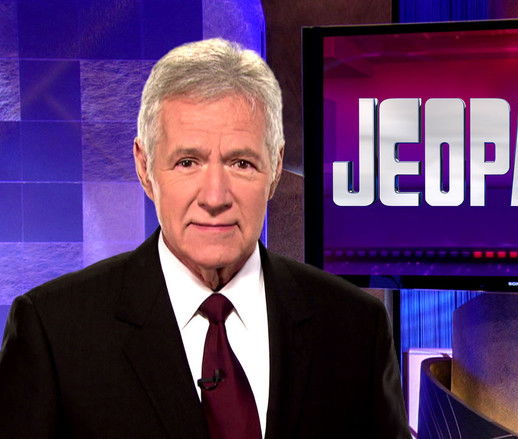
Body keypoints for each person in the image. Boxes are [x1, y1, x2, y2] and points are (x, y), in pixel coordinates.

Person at [0, 38, 409, 439]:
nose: (215, 198)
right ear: (144, 167)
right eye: (187, 162)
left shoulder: (356, 327)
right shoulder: (53, 332)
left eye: (241, 163)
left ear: (275, 167)